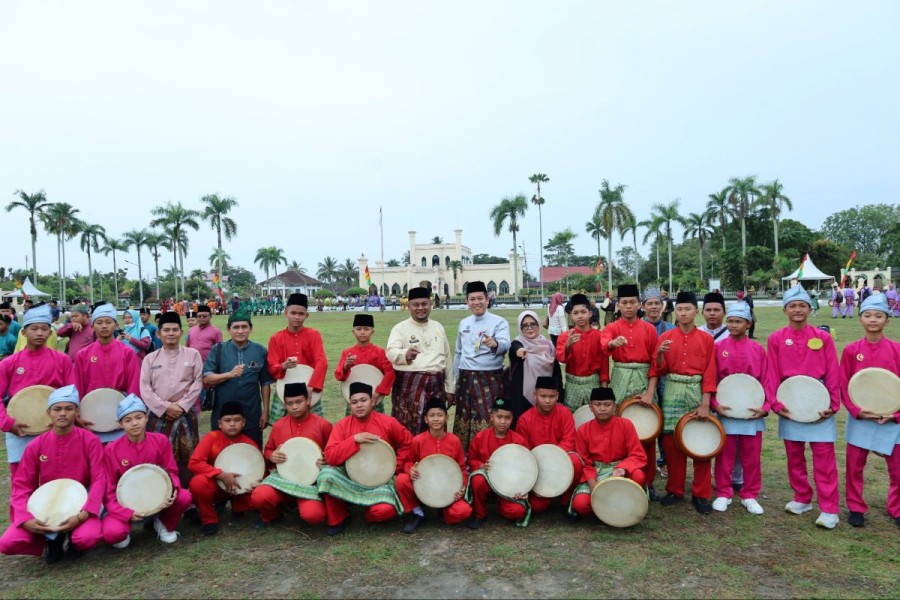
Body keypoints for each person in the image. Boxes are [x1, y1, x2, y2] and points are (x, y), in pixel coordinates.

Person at [766, 284, 842, 529]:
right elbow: (772, 373)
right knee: (794, 455)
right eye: (792, 306)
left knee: (824, 459)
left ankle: (830, 508)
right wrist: (775, 403)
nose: (797, 310)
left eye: (802, 306)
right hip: (790, 402)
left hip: (819, 403)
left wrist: (833, 404)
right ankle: (802, 497)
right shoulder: (776, 339)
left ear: (809, 308)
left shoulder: (823, 338)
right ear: (785, 310)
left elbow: (832, 371)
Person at [0, 385, 104, 563]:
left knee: (86, 537)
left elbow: (99, 479)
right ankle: (52, 540)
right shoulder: (35, 446)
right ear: (49, 412)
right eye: (57, 409)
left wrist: (84, 513)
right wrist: (25, 519)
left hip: (81, 502)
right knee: (7, 543)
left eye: (69, 408)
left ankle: (74, 540)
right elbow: (22, 485)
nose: (62, 413)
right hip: (48, 505)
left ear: (76, 412)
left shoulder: (90, 440)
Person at [317, 382, 413, 536]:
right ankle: (339, 517)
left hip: (380, 480)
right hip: (350, 478)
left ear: (373, 401)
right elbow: (330, 456)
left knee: (384, 511)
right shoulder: (342, 426)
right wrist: (354, 439)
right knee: (326, 475)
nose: (359, 405)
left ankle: (367, 514)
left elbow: (408, 443)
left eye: (363, 400)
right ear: (350, 405)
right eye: (354, 402)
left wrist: (395, 466)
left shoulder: (388, 422)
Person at [839, 294, 900, 528]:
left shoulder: (897, 349)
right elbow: (844, 384)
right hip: (861, 418)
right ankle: (855, 507)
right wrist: (856, 411)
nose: (873, 320)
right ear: (860, 319)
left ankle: (896, 508)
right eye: (868, 315)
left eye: (878, 316)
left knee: (896, 469)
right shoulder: (851, 350)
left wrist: (895, 415)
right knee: (854, 466)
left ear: (887, 320)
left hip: (892, 418)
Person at [655, 291, 718, 515]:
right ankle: (675, 489)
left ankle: (701, 493)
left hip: (695, 390)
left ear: (696, 311)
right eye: (679, 309)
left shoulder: (706, 339)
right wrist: (660, 356)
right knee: (671, 442)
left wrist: (705, 403)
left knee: (701, 441)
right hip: (672, 388)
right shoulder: (665, 338)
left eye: (687, 309)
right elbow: (659, 370)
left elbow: (710, 372)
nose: (683, 313)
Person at [101, 395, 192, 548]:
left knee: (184, 496)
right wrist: (125, 513)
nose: (134, 423)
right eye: (128, 420)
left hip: (158, 499)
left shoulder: (160, 441)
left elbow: (171, 471)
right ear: (120, 424)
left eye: (138, 417)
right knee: (113, 535)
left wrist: (173, 489)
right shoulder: (111, 450)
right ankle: (125, 529)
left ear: (146, 417)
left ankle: (162, 523)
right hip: (127, 506)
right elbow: (109, 489)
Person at [0, 303, 74, 487]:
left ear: (50, 333)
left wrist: (63, 421)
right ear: (23, 333)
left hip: (56, 428)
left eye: (44, 329)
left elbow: (72, 393)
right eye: (34, 329)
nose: (39, 333)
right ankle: (22, 516)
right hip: (20, 430)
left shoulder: (62, 360)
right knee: (23, 480)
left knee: (55, 479)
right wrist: (8, 423)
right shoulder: (9, 363)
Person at [600, 283, 661, 499]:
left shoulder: (649, 330)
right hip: (621, 379)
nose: (628, 306)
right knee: (619, 431)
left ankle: (648, 480)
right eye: (624, 303)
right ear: (618, 305)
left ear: (639, 305)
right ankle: (622, 475)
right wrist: (613, 344)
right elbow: (603, 343)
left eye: (632, 302)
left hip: (643, 379)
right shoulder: (612, 327)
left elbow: (655, 363)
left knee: (647, 431)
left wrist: (650, 392)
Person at [710, 302, 770, 515]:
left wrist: (766, 406)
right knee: (724, 454)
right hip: (726, 409)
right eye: (731, 321)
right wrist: (715, 405)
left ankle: (750, 494)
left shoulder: (757, 349)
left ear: (748, 324)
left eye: (738, 322)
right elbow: (712, 378)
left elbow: (766, 379)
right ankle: (723, 492)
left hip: (752, 410)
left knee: (751, 455)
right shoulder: (718, 347)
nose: (733, 325)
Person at [250, 382, 333, 529]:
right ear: (285, 404)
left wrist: (326, 460)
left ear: (307, 401)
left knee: (314, 515)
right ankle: (273, 514)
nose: (294, 407)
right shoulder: (278, 426)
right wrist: (272, 456)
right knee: (260, 496)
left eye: (298, 402)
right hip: (283, 479)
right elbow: (268, 450)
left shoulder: (323, 425)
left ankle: (305, 504)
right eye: (289, 403)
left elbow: (333, 454)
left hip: (311, 483)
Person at [140, 311, 204, 488]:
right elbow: (145, 388)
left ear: (181, 332)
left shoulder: (192, 355)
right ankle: (161, 492)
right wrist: (165, 408)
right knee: (158, 456)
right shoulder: (150, 359)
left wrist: (181, 406)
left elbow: (197, 383)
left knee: (188, 457)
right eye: (166, 330)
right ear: (158, 333)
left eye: (175, 330)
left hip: (186, 413)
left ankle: (188, 496)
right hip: (158, 415)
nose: (170, 333)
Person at [394, 396, 472, 534]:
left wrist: (461, 489)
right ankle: (418, 512)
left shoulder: (454, 441)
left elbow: (461, 469)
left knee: (463, 512)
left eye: (440, 415)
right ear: (426, 419)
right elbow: (408, 462)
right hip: (423, 487)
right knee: (401, 480)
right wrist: (410, 469)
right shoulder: (418, 440)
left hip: (447, 491)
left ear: (446, 418)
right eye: (432, 415)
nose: (436, 419)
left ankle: (443, 511)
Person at [385, 287, 455, 435]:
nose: (420, 308)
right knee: (407, 427)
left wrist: (450, 388)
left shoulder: (438, 327)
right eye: (416, 305)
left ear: (430, 305)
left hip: (437, 383)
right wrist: (405, 354)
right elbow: (391, 352)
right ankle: (408, 458)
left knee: (436, 426)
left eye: (424, 304)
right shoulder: (400, 328)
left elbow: (447, 358)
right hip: (409, 386)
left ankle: (435, 457)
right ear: (408, 306)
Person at [568, 387, 647, 518]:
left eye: (607, 404)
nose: (603, 408)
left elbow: (637, 454)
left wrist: (622, 469)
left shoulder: (626, 425)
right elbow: (585, 463)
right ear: (591, 407)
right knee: (581, 505)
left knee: (638, 476)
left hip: (621, 470)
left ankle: (628, 504)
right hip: (596, 472)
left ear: (614, 406)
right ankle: (605, 510)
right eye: (598, 404)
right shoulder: (583, 430)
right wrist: (594, 486)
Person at [453, 281, 511, 452]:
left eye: (480, 298)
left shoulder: (499, 322)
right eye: (472, 299)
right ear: (467, 301)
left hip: (489, 378)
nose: (476, 302)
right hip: (466, 378)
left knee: (487, 417)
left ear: (487, 300)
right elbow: (458, 352)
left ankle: (489, 454)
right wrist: (456, 379)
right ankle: (464, 457)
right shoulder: (464, 323)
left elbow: (506, 344)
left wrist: (495, 344)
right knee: (465, 417)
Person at [203, 309, 273, 448]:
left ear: (250, 329)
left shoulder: (259, 350)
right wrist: (229, 374)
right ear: (229, 329)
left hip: (252, 411)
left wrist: (265, 411)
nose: (240, 331)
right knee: (221, 451)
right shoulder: (218, 350)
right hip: (223, 410)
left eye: (244, 327)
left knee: (253, 450)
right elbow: (207, 379)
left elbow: (265, 383)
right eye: (236, 327)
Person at [188, 402, 260, 536]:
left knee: (260, 498)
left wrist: (254, 484)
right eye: (227, 420)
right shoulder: (211, 438)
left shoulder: (249, 444)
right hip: (216, 486)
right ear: (220, 423)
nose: (232, 424)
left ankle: (239, 506)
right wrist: (220, 475)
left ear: (243, 422)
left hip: (240, 488)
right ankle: (209, 520)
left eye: (237, 420)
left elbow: (259, 471)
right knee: (198, 483)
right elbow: (194, 463)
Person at [74, 303, 142, 443]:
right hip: (91, 414)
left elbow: (133, 384)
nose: (104, 326)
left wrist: (130, 414)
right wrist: (78, 413)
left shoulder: (127, 353)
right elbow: (78, 385)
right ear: (93, 326)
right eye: (99, 322)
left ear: (116, 325)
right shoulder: (83, 355)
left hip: (120, 412)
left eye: (108, 322)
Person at [515, 376, 583, 515]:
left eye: (551, 396)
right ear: (535, 395)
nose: (547, 400)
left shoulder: (565, 413)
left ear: (557, 396)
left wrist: (553, 457)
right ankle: (545, 494)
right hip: (537, 467)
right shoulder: (524, 419)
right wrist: (541, 462)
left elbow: (569, 440)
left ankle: (566, 500)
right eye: (543, 396)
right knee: (537, 506)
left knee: (576, 462)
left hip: (561, 461)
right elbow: (524, 451)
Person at [465, 397, 531, 529]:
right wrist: (481, 466)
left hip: (509, 484)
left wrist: (523, 488)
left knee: (517, 511)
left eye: (507, 418)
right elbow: (472, 459)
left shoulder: (519, 440)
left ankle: (502, 505)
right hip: (488, 478)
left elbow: (527, 467)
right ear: (492, 417)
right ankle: (480, 513)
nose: (502, 421)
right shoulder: (480, 437)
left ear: (512, 419)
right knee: (478, 480)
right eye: (499, 417)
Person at [267, 293, 328, 417]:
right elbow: (271, 367)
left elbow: (322, 361)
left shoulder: (313, 335)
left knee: (313, 429)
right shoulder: (276, 338)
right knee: (281, 430)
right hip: (283, 389)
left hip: (309, 388)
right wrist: (283, 365)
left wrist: (312, 386)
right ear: (285, 313)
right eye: (293, 313)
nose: (297, 317)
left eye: (301, 314)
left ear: (307, 315)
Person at [506, 311, 564, 427]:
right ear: (520, 328)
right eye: (525, 325)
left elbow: (556, 372)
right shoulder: (517, 343)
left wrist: (560, 395)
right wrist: (519, 352)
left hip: (546, 396)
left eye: (533, 324)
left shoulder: (548, 346)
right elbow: (514, 350)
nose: (529, 328)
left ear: (538, 324)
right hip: (522, 398)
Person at [334, 314, 396, 413]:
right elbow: (339, 376)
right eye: (359, 329)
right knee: (354, 427)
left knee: (376, 426)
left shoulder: (379, 352)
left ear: (372, 332)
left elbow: (390, 373)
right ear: (353, 332)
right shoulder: (347, 353)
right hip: (354, 399)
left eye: (366, 329)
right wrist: (346, 366)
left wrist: (379, 392)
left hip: (374, 398)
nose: (362, 332)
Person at [555, 293, 606, 412]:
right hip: (573, 384)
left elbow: (604, 364)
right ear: (571, 316)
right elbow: (561, 359)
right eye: (575, 313)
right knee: (572, 417)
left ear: (590, 313)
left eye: (583, 312)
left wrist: (604, 388)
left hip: (593, 383)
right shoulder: (565, 337)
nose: (580, 316)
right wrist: (568, 346)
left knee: (595, 416)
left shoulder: (599, 336)